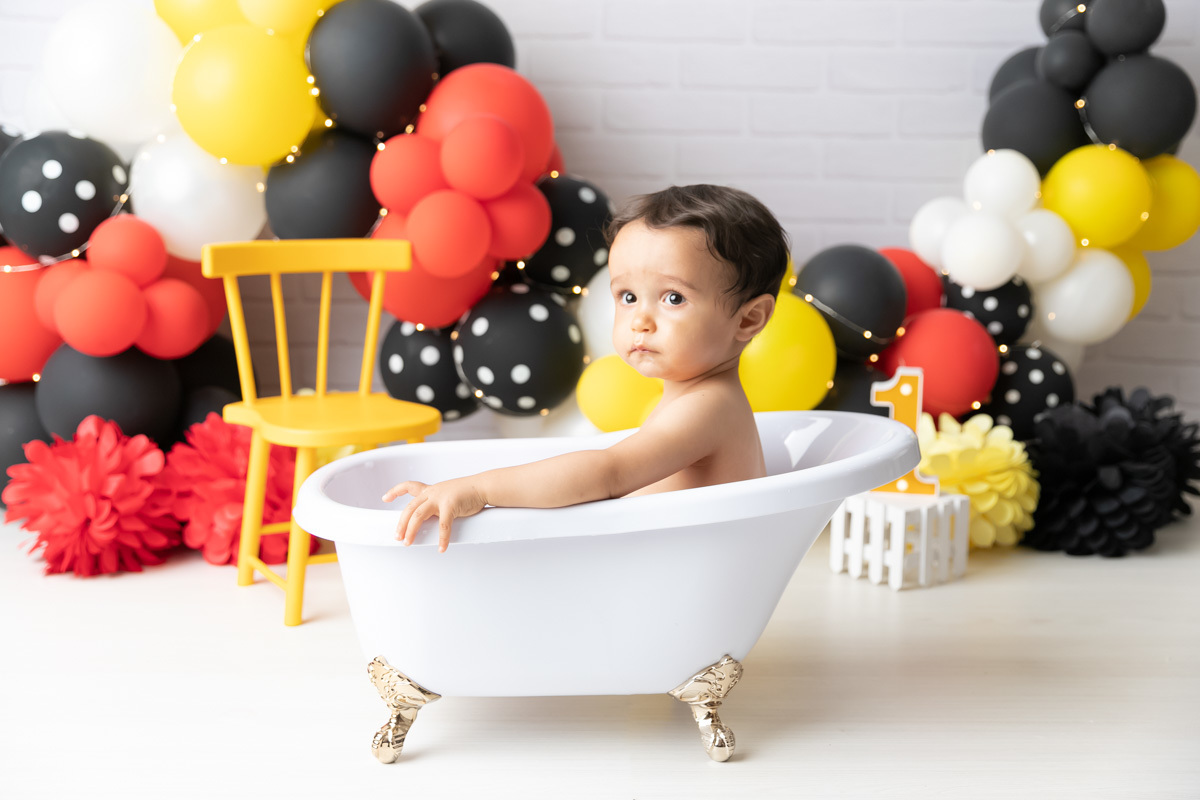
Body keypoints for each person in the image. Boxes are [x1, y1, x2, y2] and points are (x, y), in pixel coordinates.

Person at [382, 183, 791, 552]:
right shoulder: (698, 399)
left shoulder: (709, 407)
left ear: (748, 320)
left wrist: (479, 489)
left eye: (673, 298)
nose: (640, 320)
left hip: (685, 579)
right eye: (628, 296)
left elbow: (609, 473)